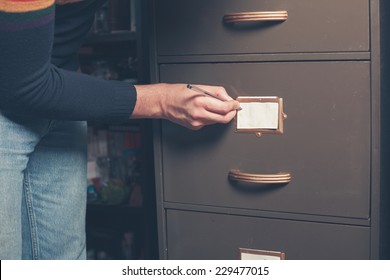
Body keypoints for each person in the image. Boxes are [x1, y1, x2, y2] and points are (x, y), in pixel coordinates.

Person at [0, 0, 240, 260]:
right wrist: (161, 100)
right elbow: (24, 87)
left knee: (65, 261)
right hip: (19, 92)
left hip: (58, 91)